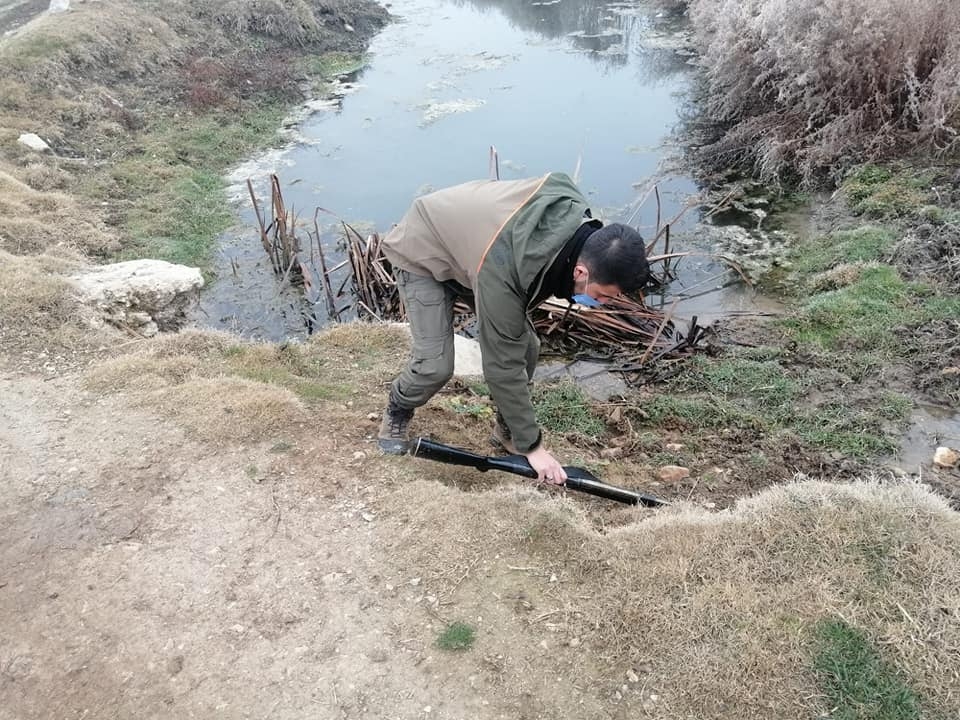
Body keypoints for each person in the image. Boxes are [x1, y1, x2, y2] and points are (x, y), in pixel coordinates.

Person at [377, 171, 649, 485]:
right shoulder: (505, 276)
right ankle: (397, 409)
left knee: (528, 346)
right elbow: (501, 365)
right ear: (581, 271)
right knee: (434, 366)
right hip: (423, 250)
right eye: (600, 295)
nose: (598, 303)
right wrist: (533, 448)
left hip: (472, 251)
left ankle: (507, 426)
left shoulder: (575, 223)